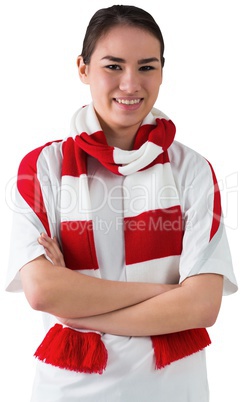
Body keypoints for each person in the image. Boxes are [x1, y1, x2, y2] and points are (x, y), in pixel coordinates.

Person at [6, 4, 237, 402]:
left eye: (147, 67)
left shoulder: (193, 170)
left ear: (163, 71)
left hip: (171, 388)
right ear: (83, 69)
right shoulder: (42, 168)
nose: (130, 84)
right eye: (113, 66)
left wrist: (76, 307)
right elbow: (44, 292)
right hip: (72, 390)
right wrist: (169, 294)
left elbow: (202, 305)